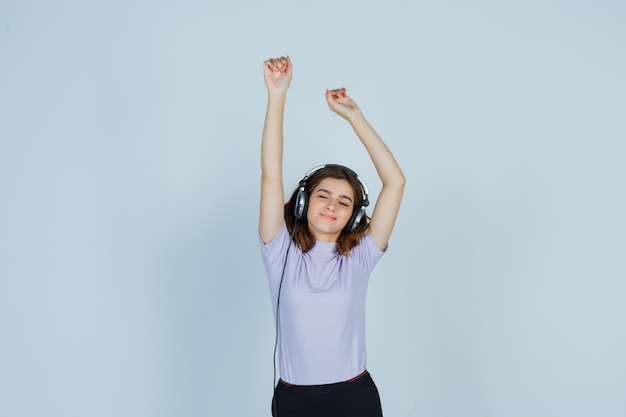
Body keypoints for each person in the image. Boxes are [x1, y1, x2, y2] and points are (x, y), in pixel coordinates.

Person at [259, 55, 405, 417]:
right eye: (323, 195)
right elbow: (270, 175)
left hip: (354, 397)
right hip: (295, 400)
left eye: (344, 201)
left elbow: (396, 183)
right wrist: (277, 96)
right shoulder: (278, 249)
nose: (332, 206)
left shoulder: (361, 254)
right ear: (305, 202)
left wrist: (356, 118)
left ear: (353, 214)